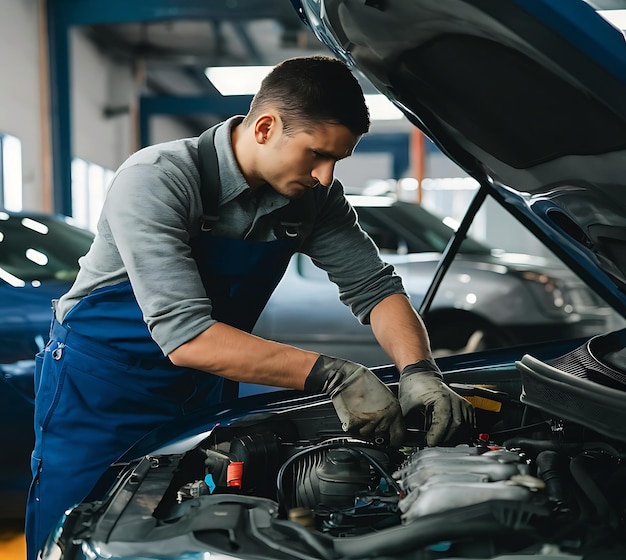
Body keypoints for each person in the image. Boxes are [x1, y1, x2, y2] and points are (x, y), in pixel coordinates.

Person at [26, 55, 474, 559]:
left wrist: (420, 370)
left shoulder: (314, 199)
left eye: (337, 161)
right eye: (317, 155)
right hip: (102, 389)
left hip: (206, 384)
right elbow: (186, 334)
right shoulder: (159, 178)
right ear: (266, 127)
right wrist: (336, 375)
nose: (326, 176)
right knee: (80, 528)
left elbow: (375, 288)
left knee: (195, 523)